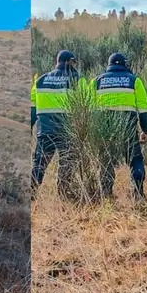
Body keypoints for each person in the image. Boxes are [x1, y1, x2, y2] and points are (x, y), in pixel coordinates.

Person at [92, 52, 147, 200]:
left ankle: (106, 194)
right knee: (135, 159)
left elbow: (89, 109)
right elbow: (143, 108)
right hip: (128, 126)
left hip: (104, 128)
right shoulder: (134, 80)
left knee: (106, 160)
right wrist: (145, 129)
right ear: (126, 64)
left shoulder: (97, 81)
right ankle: (138, 193)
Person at [30, 50, 86, 200]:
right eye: (73, 62)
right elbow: (84, 107)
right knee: (66, 165)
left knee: (39, 166)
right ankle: (64, 195)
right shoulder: (77, 79)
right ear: (69, 62)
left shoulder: (40, 81)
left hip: (45, 132)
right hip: (66, 132)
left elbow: (33, 109)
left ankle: (31, 195)